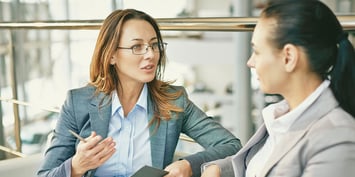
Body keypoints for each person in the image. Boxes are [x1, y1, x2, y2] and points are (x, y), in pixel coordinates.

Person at [37, 8, 241, 177]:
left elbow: (231, 145)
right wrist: (76, 166)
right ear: (111, 56)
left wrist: (188, 164)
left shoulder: (174, 100)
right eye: (137, 46)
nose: (151, 54)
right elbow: (45, 174)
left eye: (154, 45)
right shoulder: (77, 102)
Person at [201, 0, 355, 176]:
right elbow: (260, 165)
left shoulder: (336, 139)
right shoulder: (281, 117)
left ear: (288, 57)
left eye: (257, 52)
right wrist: (218, 169)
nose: (250, 62)